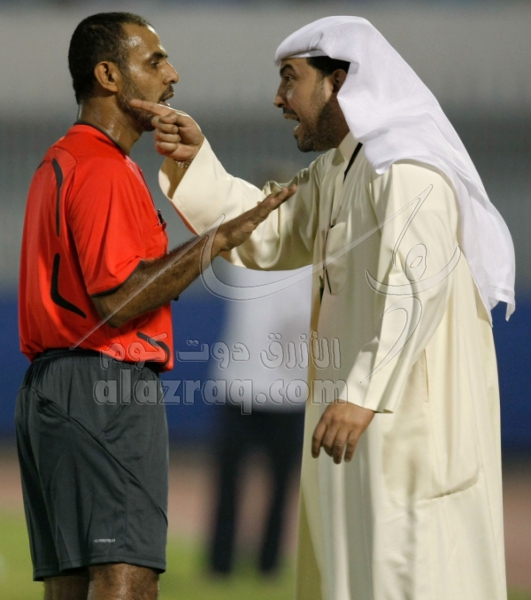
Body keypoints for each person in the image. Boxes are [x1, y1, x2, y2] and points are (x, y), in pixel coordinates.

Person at [135, 15, 516, 600]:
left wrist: (362, 392)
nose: (278, 98)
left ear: (339, 81)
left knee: (410, 579)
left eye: (291, 79)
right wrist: (196, 162)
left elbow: (418, 290)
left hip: (408, 433)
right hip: (359, 424)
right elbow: (268, 230)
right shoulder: (340, 169)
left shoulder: (406, 170)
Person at [15, 12, 294, 600]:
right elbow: (119, 300)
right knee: (129, 579)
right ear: (109, 76)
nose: (173, 75)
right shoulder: (103, 167)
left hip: (53, 387)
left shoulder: (61, 159)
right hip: (104, 387)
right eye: (155, 60)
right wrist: (219, 237)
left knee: (69, 585)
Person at [207, 266, 309, 575]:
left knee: (280, 486)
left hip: (289, 392)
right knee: (227, 482)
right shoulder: (246, 256)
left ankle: (269, 564)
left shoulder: (313, 260)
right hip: (238, 387)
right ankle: (219, 564)